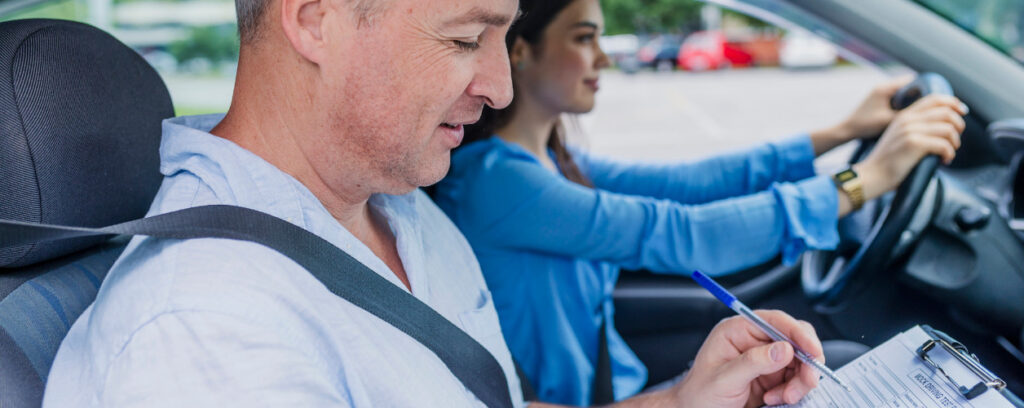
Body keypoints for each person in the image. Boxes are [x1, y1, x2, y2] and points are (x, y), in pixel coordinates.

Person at [44, 0, 826, 407]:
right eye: (463, 41)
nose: (500, 88)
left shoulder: (403, 215)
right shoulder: (205, 330)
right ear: (317, 21)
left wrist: (682, 403)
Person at [432, 0, 968, 405]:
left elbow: (689, 183)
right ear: (522, 53)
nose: (603, 56)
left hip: (610, 382)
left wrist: (841, 132)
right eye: (584, 37)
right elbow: (684, 233)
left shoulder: (552, 161)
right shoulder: (496, 182)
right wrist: (866, 180)